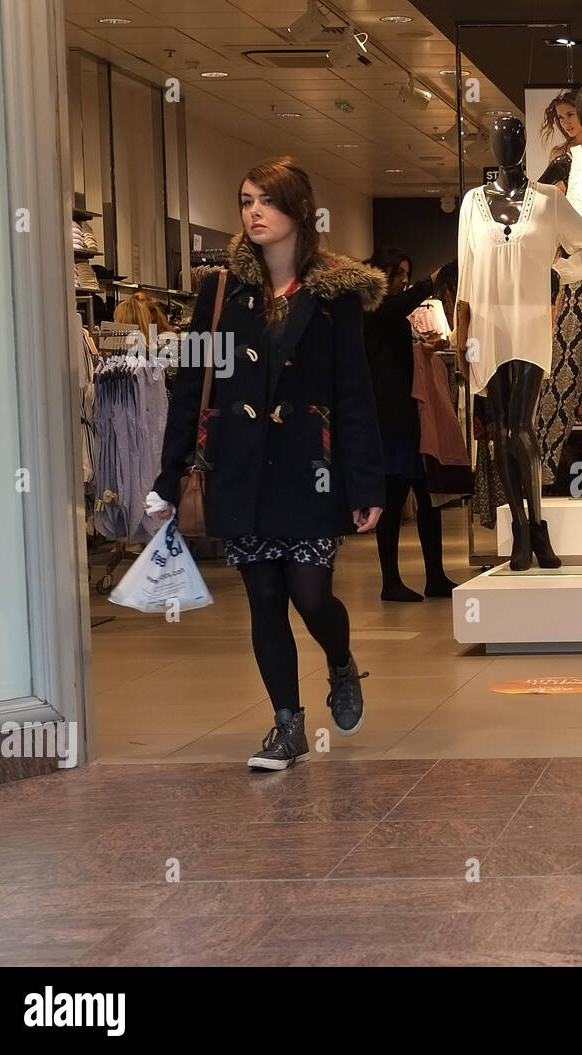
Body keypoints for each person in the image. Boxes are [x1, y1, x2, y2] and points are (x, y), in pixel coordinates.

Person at [152, 156, 386, 771]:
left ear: (298, 212)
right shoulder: (222, 290)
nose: (254, 212)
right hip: (241, 470)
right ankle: (287, 724)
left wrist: (366, 483)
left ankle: (340, 661)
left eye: (267, 201)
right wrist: (166, 477)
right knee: (263, 600)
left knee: (311, 596)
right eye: (246, 200)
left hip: (311, 470)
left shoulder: (335, 296)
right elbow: (190, 386)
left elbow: (354, 395)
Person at [363, 246, 457, 601]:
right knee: (395, 494)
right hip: (390, 416)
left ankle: (435, 576)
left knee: (426, 496)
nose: (403, 281)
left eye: (406, 274)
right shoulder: (371, 305)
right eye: (398, 274)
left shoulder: (383, 311)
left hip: (407, 413)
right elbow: (394, 312)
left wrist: (423, 350)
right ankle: (391, 581)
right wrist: (432, 280)